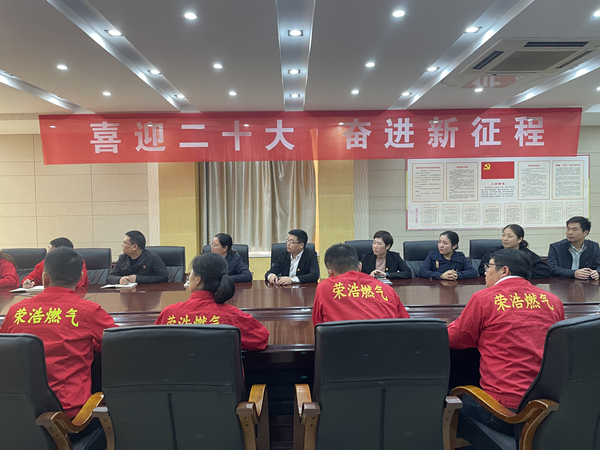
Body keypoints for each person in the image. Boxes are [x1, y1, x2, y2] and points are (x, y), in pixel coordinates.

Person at [448, 249, 564, 436]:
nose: (485, 272)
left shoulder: (484, 298)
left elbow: (455, 338)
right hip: (546, 410)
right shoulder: (553, 301)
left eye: (489, 266)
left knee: (448, 397)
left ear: (504, 270)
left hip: (504, 412)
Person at [0, 247, 117, 418]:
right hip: (70, 417)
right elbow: (120, 344)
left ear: (44, 277)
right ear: (81, 278)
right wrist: (88, 343)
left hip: (20, 414)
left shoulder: (16, 311)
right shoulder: (88, 311)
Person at [155, 253, 269, 351]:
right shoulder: (232, 316)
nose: (189, 278)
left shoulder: (169, 313)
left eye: (190, 274)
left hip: (178, 371)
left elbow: (152, 343)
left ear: (198, 279)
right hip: (221, 371)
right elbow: (261, 338)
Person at [312, 243, 410, 325]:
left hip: (342, 342)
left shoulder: (324, 287)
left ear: (330, 272)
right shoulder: (386, 289)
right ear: (360, 266)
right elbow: (406, 325)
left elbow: (318, 325)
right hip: (385, 342)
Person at [477, 224, 551, 278]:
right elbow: (482, 269)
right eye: (503, 235)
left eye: (510, 236)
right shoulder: (494, 252)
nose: (505, 239)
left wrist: (514, 274)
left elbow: (544, 271)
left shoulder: (526, 254)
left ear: (519, 239)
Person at [22, 237, 89, 288]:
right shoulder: (45, 263)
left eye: (52, 252)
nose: (48, 254)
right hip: (50, 295)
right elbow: (32, 278)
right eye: (49, 250)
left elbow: (78, 284)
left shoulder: (75, 261)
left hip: (77, 295)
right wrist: (29, 282)